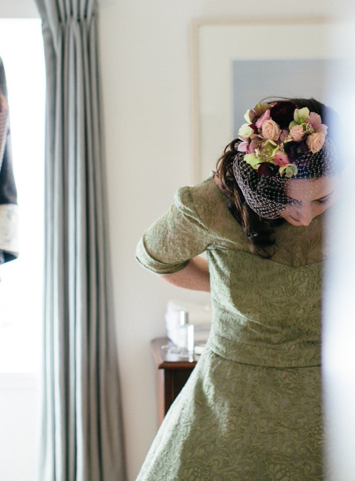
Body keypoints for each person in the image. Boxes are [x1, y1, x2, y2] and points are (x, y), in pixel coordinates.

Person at [134, 98, 339, 480]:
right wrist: (234, 286)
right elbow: (156, 258)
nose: (305, 216)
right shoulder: (210, 205)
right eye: (289, 202)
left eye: (323, 199)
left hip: (336, 402)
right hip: (231, 402)